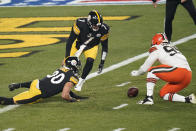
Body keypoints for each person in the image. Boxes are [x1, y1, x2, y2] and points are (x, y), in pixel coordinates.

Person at [130, 33, 196, 105]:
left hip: (179, 72)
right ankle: (187, 99)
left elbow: (145, 68)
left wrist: (137, 73)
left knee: (152, 70)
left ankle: (148, 98)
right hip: (188, 75)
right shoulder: (172, 46)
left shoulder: (157, 47)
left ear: (155, 42)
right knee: (164, 93)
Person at [0, 56, 88, 105]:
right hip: (38, 92)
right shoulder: (72, 77)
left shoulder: (61, 68)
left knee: (39, 83)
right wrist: (73, 100)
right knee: (10, 101)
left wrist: (77, 97)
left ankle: (17, 85)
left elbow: (63, 86)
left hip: (37, 82)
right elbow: (65, 95)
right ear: (74, 66)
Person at [63, 10, 110, 92]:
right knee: (67, 65)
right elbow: (70, 41)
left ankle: (80, 82)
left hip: (91, 46)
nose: (97, 28)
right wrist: (67, 57)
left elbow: (105, 47)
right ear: (89, 22)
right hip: (77, 44)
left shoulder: (104, 29)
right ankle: (62, 81)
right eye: (95, 25)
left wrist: (102, 62)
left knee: (90, 61)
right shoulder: (80, 23)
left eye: (98, 26)